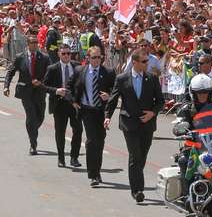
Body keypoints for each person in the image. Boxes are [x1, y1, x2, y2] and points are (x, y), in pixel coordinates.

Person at [106, 48, 164, 202]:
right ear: (135, 62)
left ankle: (137, 180)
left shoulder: (152, 78)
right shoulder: (122, 78)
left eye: (147, 61)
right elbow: (113, 99)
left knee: (142, 156)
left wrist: (152, 113)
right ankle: (137, 190)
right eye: (144, 61)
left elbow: (160, 101)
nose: (147, 64)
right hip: (129, 123)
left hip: (147, 124)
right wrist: (107, 117)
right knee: (135, 156)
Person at [66, 46, 116, 186]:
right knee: (92, 140)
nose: (97, 60)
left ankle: (97, 171)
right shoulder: (80, 71)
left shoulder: (108, 72)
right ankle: (93, 174)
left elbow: (116, 91)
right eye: (94, 57)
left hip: (101, 111)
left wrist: (109, 96)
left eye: (99, 57)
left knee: (100, 142)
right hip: (87, 110)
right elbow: (69, 87)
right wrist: (73, 101)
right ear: (88, 57)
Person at [4, 37, 49, 155]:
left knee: (40, 117)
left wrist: (42, 82)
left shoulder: (44, 58)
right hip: (25, 92)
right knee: (31, 116)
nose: (35, 45)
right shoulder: (20, 57)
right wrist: (6, 86)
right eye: (32, 43)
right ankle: (33, 144)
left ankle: (32, 130)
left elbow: (49, 74)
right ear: (28, 44)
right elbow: (11, 71)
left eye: (36, 43)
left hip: (39, 91)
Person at [43, 44, 81, 168]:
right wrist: (56, 90)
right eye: (63, 53)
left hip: (74, 104)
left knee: (78, 131)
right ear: (59, 54)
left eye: (68, 53)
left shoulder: (77, 66)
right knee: (60, 132)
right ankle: (61, 158)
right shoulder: (53, 68)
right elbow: (44, 86)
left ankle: (74, 157)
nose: (66, 56)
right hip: (59, 104)